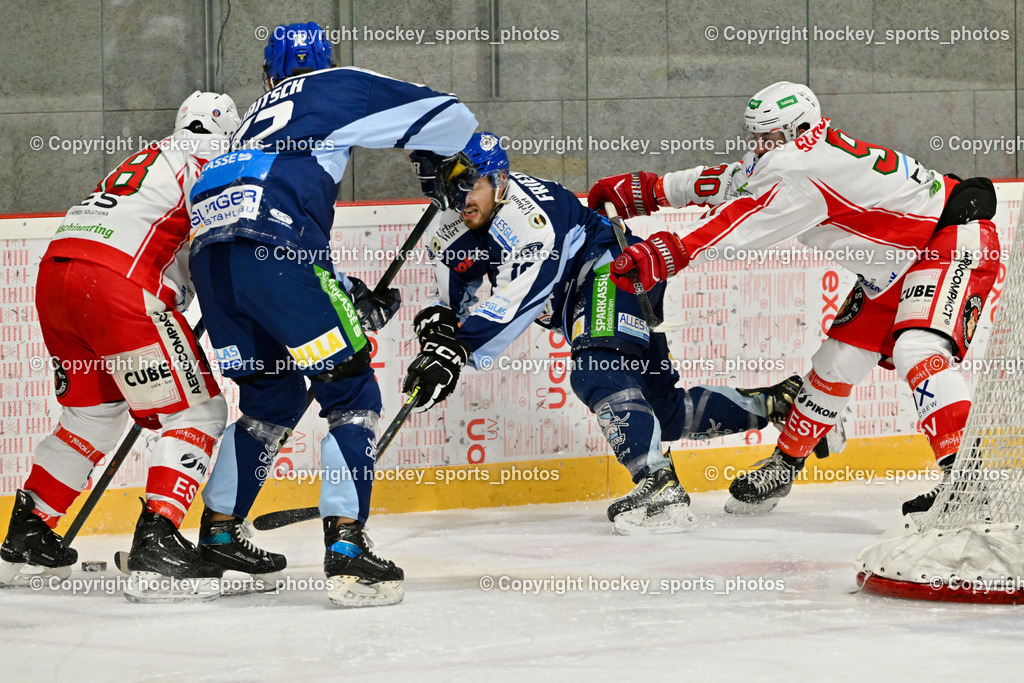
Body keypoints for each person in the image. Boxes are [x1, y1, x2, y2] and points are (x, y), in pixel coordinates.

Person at [590, 81, 1000, 515]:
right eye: (758, 136)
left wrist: (669, 252)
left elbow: (742, 222)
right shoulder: (797, 153)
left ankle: (966, 481)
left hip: (949, 241)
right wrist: (652, 190)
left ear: (797, 128)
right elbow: (731, 180)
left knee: (918, 348)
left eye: (771, 137)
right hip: (895, 264)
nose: (762, 146)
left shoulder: (801, 167)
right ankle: (785, 465)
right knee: (834, 363)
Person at [187, 22, 478, 607]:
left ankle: (218, 533)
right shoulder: (333, 85)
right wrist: (440, 160)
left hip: (214, 265)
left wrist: (347, 294)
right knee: (352, 395)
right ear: (325, 60)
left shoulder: (247, 124)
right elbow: (454, 117)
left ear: (267, 74)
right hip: (279, 257)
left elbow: (267, 233)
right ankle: (347, 550)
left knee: (273, 399)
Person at [402, 131, 808, 535]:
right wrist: (438, 330)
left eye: (470, 186)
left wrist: (458, 348)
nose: (461, 199)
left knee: (596, 368)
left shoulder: (528, 220)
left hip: (611, 269)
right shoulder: (453, 221)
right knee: (660, 413)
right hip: (591, 290)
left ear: (499, 179)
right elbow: (450, 299)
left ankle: (659, 487)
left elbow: (519, 299)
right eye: (450, 189)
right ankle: (777, 403)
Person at [0, 91, 240, 596]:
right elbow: (223, 252)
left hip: (56, 276)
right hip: (117, 284)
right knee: (198, 414)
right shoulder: (216, 166)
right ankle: (158, 541)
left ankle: (29, 532)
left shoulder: (150, 153)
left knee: (91, 416)